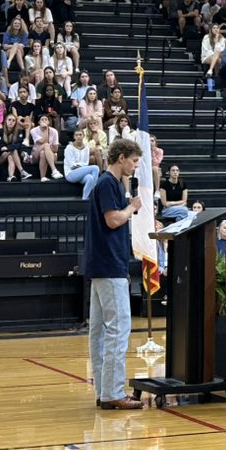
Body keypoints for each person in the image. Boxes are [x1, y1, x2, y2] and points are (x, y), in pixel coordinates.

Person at [85, 138, 144, 410]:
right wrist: (132, 207)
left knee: (99, 332)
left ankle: (104, 390)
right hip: (110, 266)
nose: (135, 166)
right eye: (133, 161)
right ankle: (114, 392)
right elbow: (113, 220)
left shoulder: (108, 183)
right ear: (121, 158)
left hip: (101, 266)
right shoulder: (108, 183)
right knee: (117, 329)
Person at [64, 129, 100, 200]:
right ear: (74, 137)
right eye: (76, 135)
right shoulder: (69, 147)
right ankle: (95, 193)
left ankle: (85, 198)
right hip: (71, 173)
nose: (78, 137)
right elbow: (71, 164)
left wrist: (81, 167)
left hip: (81, 172)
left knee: (90, 178)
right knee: (95, 168)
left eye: (80, 135)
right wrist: (81, 167)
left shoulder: (86, 148)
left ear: (83, 136)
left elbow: (86, 162)